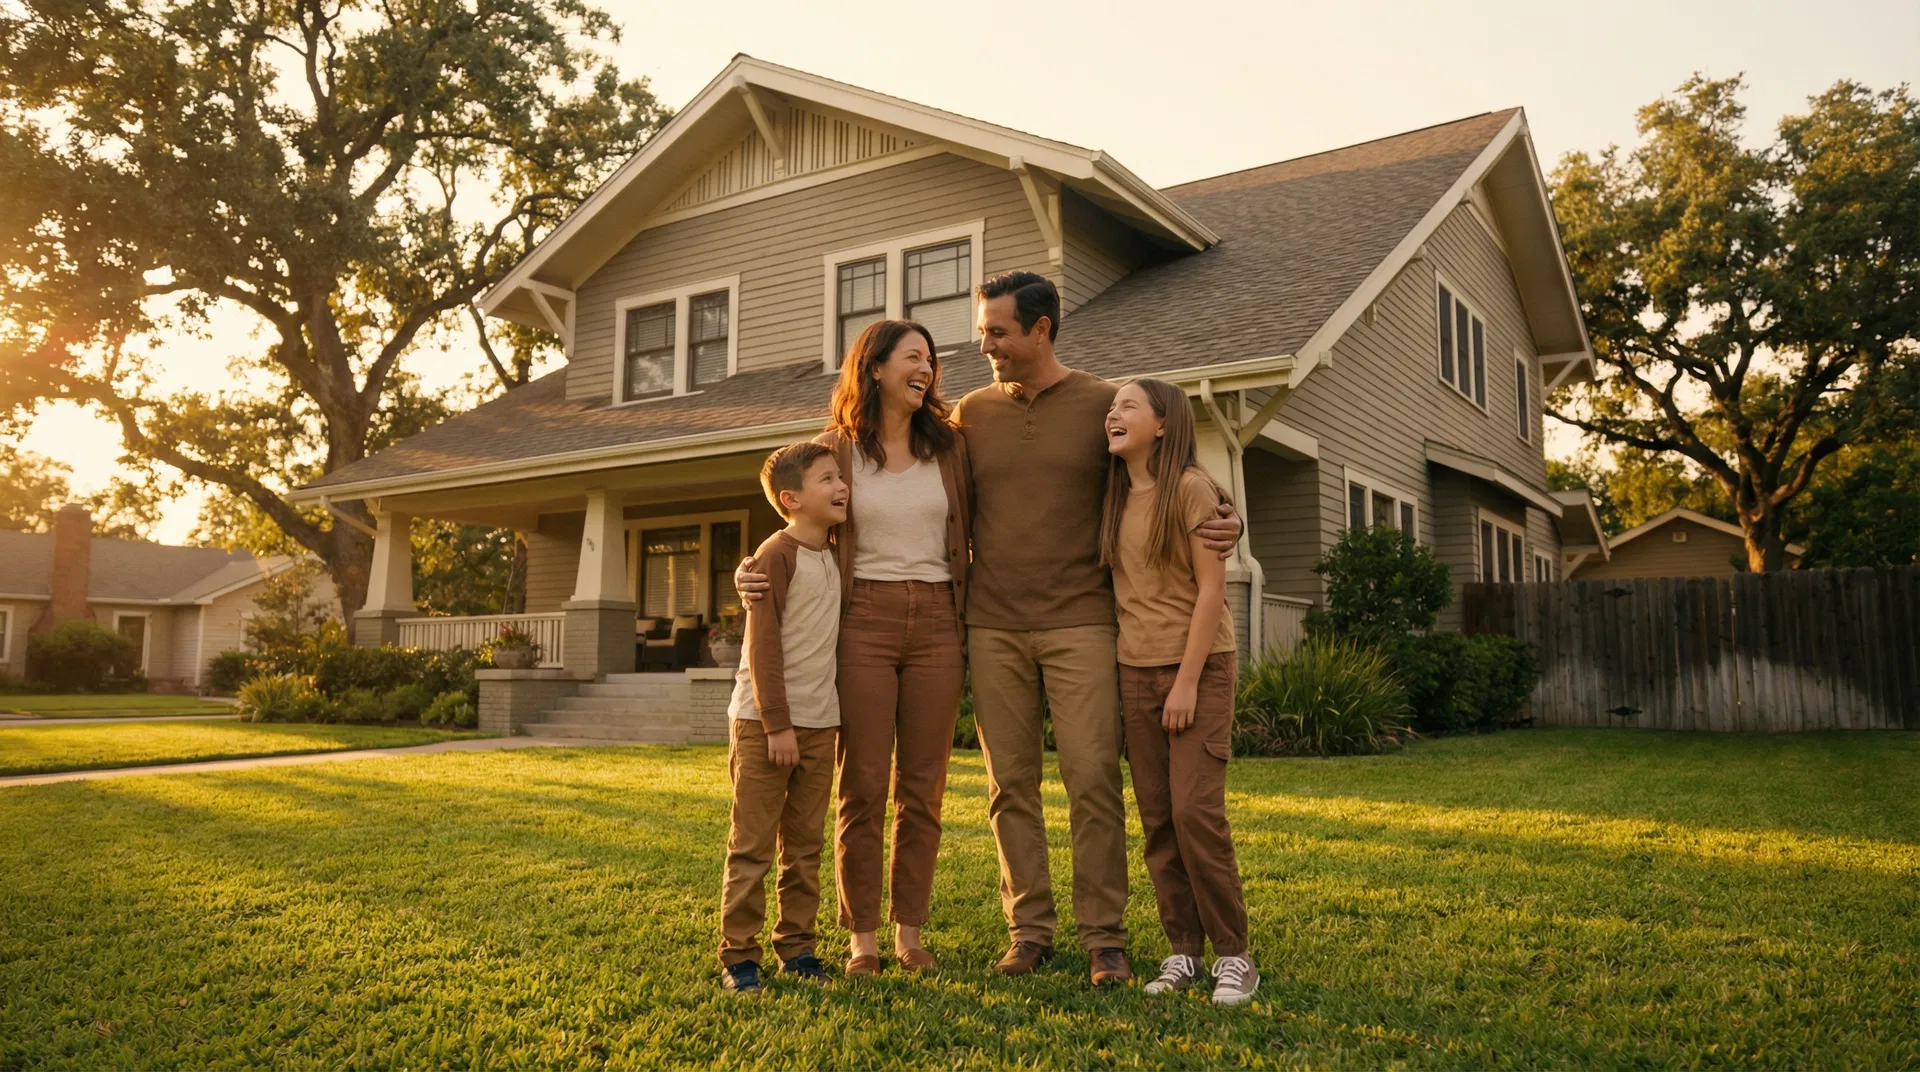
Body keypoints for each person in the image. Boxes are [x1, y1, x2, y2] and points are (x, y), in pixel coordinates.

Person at [953, 272, 1240, 985]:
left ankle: (1104, 937)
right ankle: (1028, 931)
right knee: (1008, 785)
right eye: (982, 329)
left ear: (1041, 330)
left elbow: (1164, 470)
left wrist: (1226, 513)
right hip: (992, 623)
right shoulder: (971, 413)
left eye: (997, 331)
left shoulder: (1102, 403)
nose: (984, 343)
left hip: (1084, 620)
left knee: (1092, 782)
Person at [815, 319, 972, 976]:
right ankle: (863, 939)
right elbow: (800, 523)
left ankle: (909, 933)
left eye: (931, 361)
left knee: (923, 787)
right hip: (866, 621)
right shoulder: (835, 449)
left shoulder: (952, 448)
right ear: (874, 367)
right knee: (863, 784)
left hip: (938, 619)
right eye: (913, 357)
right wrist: (755, 570)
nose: (927, 369)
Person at [1100, 378, 1258, 1006]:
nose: (1114, 413)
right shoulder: (1111, 493)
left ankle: (1234, 955)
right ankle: (1183, 952)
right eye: (1112, 407)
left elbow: (1212, 592)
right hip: (1134, 671)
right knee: (1159, 820)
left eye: (1128, 405)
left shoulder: (1191, 488)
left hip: (1198, 666)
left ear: (1163, 424)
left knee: (1197, 815)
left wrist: (1187, 682)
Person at [717, 442, 848, 995]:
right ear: (792, 499)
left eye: (840, 476)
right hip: (765, 725)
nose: (841, 486)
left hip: (821, 724)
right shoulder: (776, 555)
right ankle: (739, 958)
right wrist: (777, 725)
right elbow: (762, 647)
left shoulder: (835, 549)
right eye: (827, 479)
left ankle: (797, 949)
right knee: (751, 846)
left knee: (804, 847)